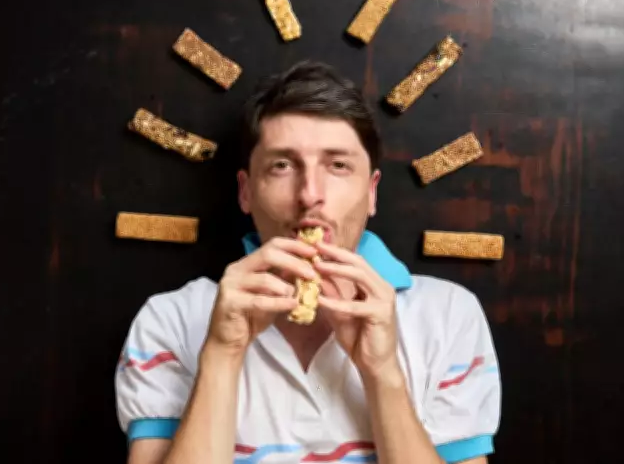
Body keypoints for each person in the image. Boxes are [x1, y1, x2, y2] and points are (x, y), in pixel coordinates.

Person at [115, 61, 501, 464]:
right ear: (246, 192)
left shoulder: (448, 315)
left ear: (372, 193)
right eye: (282, 165)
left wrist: (383, 373)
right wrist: (221, 355)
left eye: (338, 166)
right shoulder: (170, 320)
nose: (309, 195)